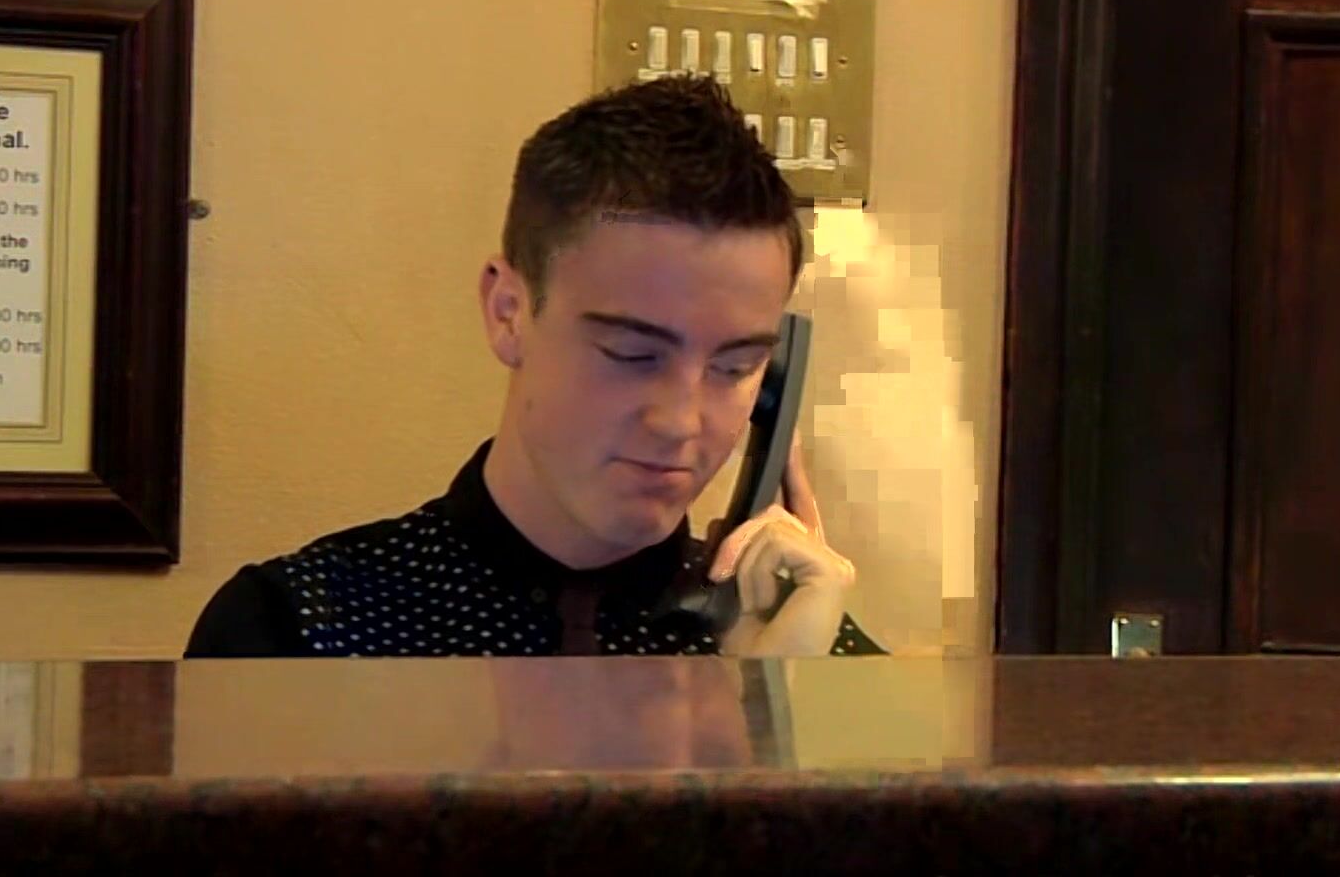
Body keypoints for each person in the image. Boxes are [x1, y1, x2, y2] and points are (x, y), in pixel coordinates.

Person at [186, 75, 884, 657]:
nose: (680, 422)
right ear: (508, 312)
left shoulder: (806, 648)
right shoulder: (298, 629)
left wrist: (774, 712)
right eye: (633, 354)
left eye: (734, 368)